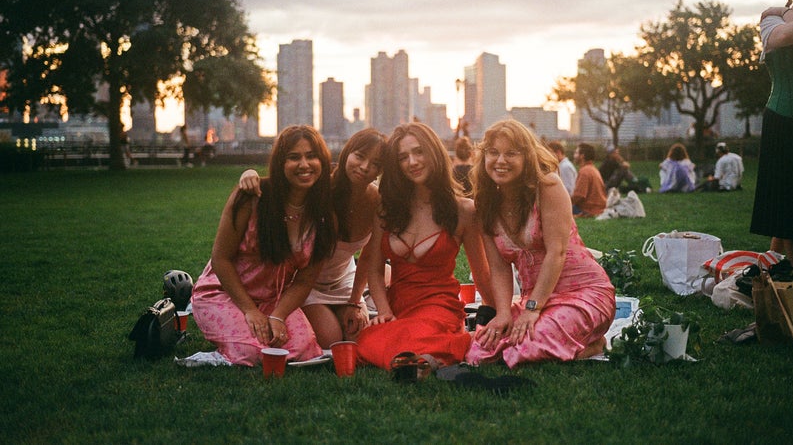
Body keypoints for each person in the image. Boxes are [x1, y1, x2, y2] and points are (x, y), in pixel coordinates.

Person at [465, 120, 615, 367]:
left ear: (527, 157)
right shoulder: (486, 204)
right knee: (480, 350)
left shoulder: (547, 186)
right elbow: (499, 268)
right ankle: (570, 341)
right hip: (535, 300)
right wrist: (503, 313)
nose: (500, 160)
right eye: (493, 152)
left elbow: (557, 252)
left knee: (525, 347)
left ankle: (593, 344)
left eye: (511, 153)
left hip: (583, 293)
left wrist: (532, 309)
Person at [190, 125, 337, 366]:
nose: (304, 164)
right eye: (294, 157)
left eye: (312, 156)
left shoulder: (323, 216)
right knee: (252, 352)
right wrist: (250, 310)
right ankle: (218, 353)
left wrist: (278, 316)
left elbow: (304, 280)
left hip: (273, 300)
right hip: (224, 293)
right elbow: (221, 259)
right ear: (280, 163)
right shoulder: (252, 197)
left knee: (303, 349)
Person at [356, 122, 493, 372]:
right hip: (399, 306)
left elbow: (482, 274)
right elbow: (374, 270)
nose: (412, 162)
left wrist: (499, 314)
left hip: (439, 307)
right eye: (403, 157)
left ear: (434, 152)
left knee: (412, 335)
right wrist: (384, 311)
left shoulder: (463, 210)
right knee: (365, 340)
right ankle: (430, 353)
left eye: (419, 152)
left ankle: (432, 352)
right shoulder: (386, 208)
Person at [238, 128, 388, 348]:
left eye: (375, 163)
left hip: (344, 280)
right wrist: (249, 174)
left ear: (380, 171)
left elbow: (367, 257)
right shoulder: (318, 189)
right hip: (306, 282)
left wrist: (355, 302)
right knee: (331, 340)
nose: (365, 167)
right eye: (360, 156)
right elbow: (281, 185)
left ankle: (360, 304)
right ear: (347, 153)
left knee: (357, 338)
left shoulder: (377, 201)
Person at [751, 0, 793, 271]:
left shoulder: (778, 14)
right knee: (788, 209)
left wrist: (785, 11)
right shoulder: (772, 22)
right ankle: (792, 276)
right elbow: (782, 37)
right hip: (784, 121)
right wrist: (785, 13)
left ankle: (778, 268)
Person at [571, 142, 607, 217]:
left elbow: (579, 195)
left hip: (587, 209)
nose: (574, 156)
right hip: (599, 208)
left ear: (582, 156)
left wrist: (566, 203)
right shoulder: (593, 169)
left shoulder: (584, 171)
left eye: (576, 153)